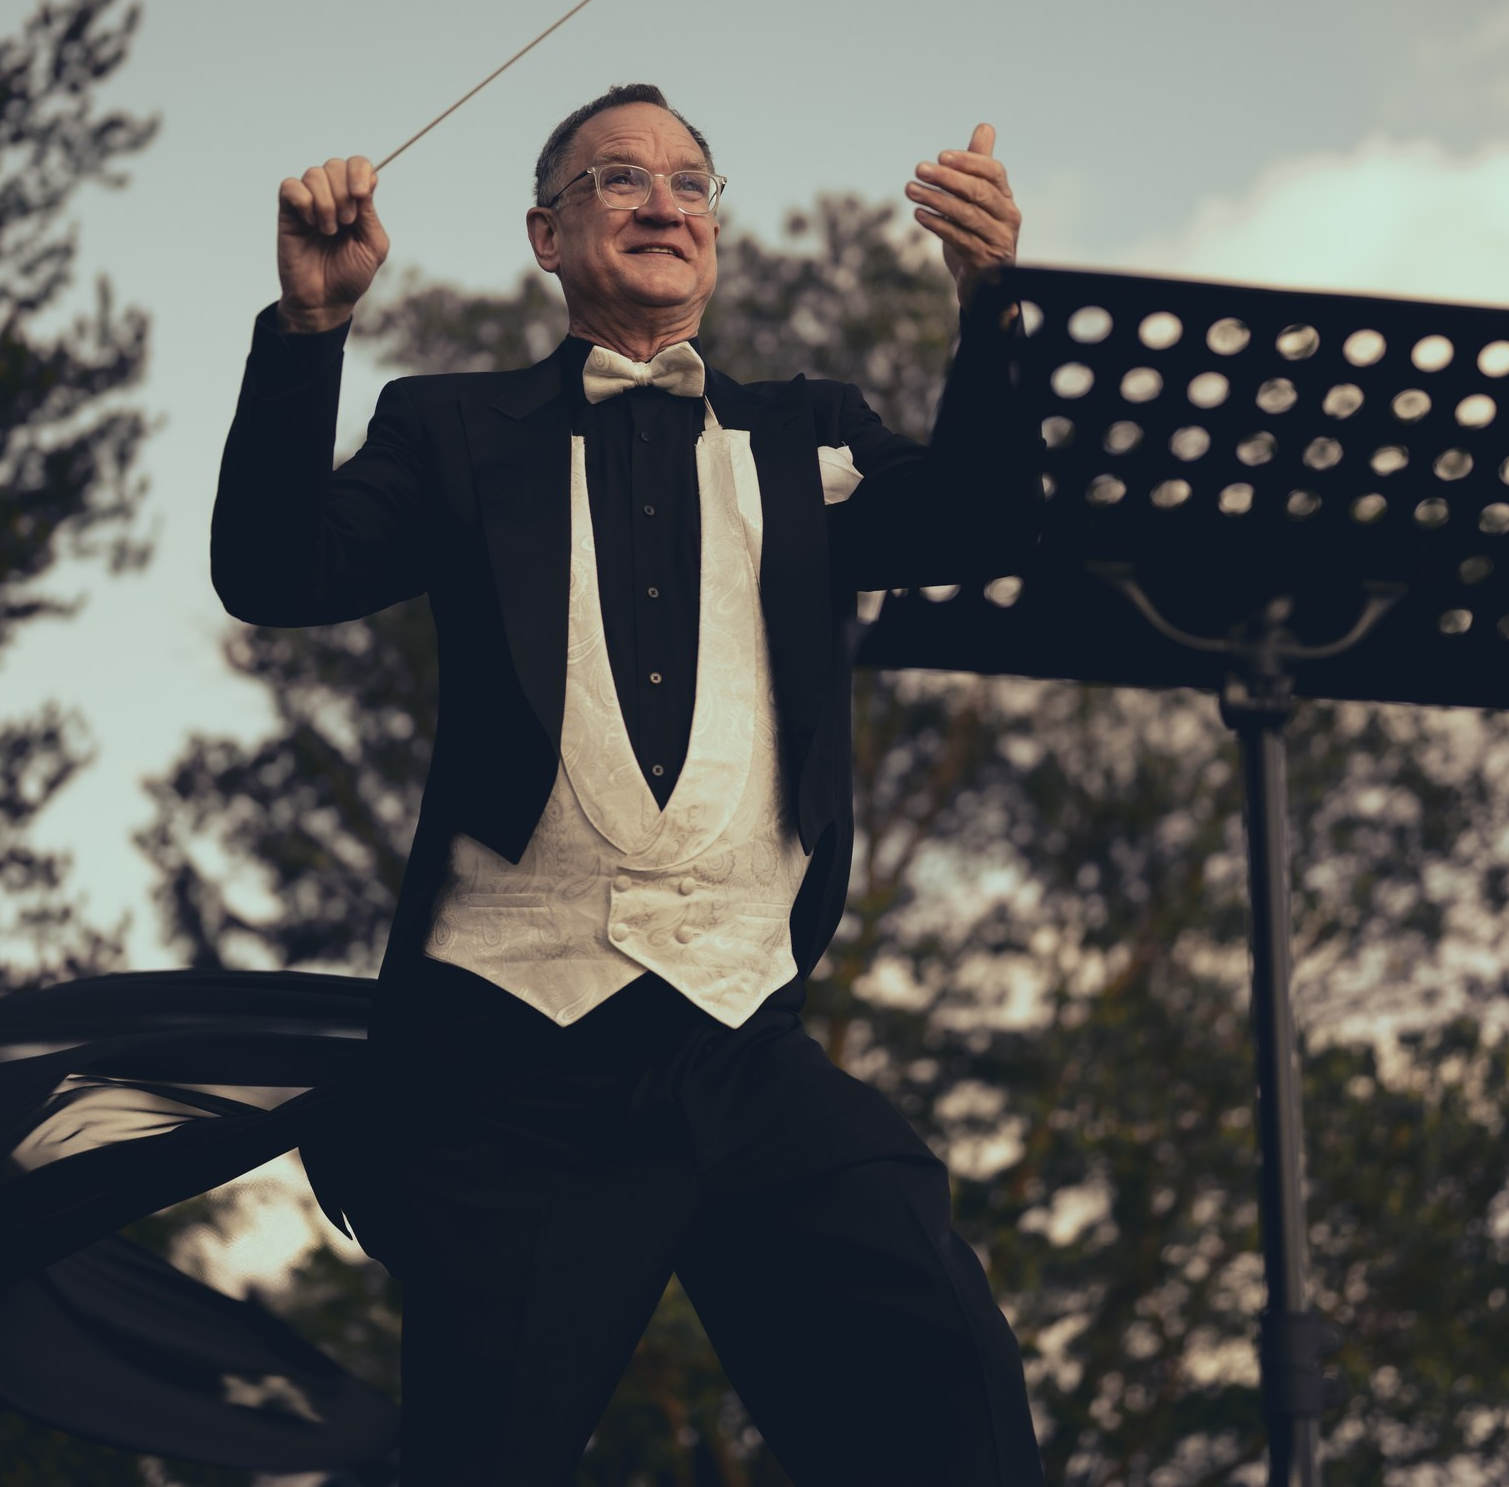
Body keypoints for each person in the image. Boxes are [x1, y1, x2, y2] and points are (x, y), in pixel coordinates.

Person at [211, 83, 1044, 1486]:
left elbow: (985, 513)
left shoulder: (809, 436)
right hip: (513, 1059)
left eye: (693, 184)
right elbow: (276, 573)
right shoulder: (450, 429)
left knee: (939, 1363)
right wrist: (312, 328)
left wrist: (996, 305)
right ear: (545, 233)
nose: (667, 203)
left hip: (739, 1040)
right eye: (618, 179)